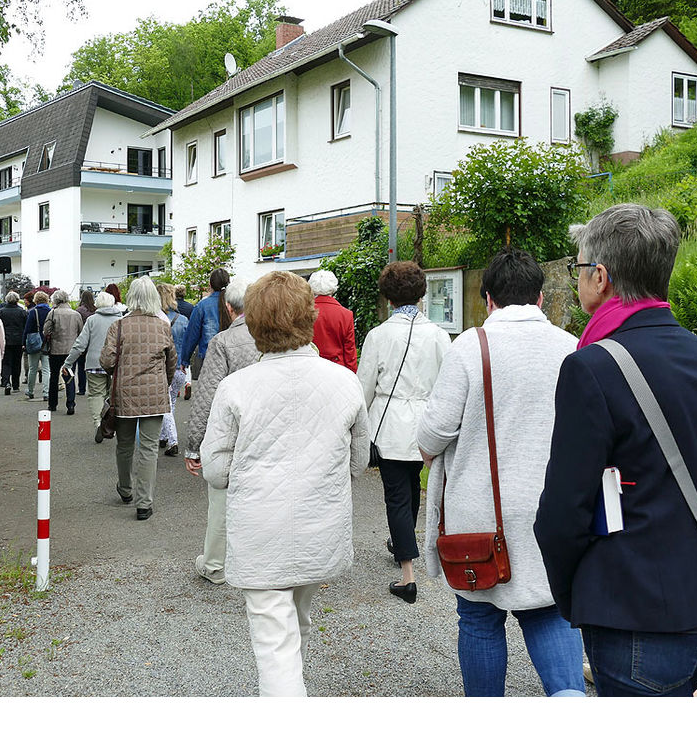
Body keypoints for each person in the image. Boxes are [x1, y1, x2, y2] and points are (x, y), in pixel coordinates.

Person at [534, 204, 697, 697]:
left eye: (579, 268)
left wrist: (575, 598)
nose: (577, 279)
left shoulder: (591, 367)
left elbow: (563, 511)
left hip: (639, 616)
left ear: (602, 277)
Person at [417, 248, 585, 698]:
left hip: (480, 511)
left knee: (478, 615)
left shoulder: (471, 346)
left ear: (487, 298)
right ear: (541, 299)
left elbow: (434, 433)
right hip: (552, 506)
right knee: (550, 609)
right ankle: (569, 701)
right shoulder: (572, 347)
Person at [201, 271, 369, 697]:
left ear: (253, 323)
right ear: (309, 318)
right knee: (298, 618)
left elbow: (216, 470)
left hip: (260, 528)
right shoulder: (345, 382)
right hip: (319, 523)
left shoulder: (235, 387)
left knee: (275, 640)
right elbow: (358, 461)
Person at [357, 261, 449, 604]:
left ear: (388, 296)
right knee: (412, 488)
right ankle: (401, 543)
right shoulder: (439, 336)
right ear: (421, 292)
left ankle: (408, 575)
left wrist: (355, 423)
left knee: (397, 494)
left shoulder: (378, 336)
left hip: (390, 422)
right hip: (429, 423)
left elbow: (364, 386)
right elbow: (448, 384)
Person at [183, 275, 259, 585]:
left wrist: (194, 444)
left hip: (231, 430)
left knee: (221, 495)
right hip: (266, 429)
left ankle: (214, 564)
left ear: (228, 307)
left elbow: (208, 394)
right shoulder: (272, 338)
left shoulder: (223, 343)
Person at [99, 276, 177, 520]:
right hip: (154, 394)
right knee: (149, 448)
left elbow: (107, 361)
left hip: (126, 393)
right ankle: (144, 503)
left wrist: (118, 371)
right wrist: (161, 380)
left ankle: (125, 489)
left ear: (131, 297)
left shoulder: (119, 326)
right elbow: (171, 361)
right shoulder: (163, 326)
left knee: (124, 445)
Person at [62, 290, 126, 443]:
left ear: (98, 304)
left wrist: (68, 363)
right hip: (116, 364)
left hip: (94, 363)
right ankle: (112, 424)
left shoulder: (92, 320)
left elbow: (80, 344)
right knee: (114, 396)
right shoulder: (122, 320)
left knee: (96, 394)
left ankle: (98, 422)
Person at [179, 268, 230, 383]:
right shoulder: (234, 303)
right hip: (232, 358)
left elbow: (192, 335)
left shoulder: (202, 306)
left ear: (210, 284)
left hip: (208, 359)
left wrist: (184, 360)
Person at [157, 282, 189, 456]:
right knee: (171, 403)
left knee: (165, 405)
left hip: (164, 368)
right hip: (180, 368)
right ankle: (164, 436)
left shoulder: (157, 320)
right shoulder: (183, 320)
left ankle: (172, 440)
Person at [42, 290, 82, 415]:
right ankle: (70, 404)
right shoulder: (76, 314)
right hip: (71, 350)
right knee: (69, 377)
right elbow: (80, 332)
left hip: (55, 349)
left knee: (54, 376)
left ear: (56, 300)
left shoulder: (52, 313)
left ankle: (52, 404)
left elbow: (46, 331)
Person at [309, 270, 357, 372]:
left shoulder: (304, 313)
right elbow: (350, 352)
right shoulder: (346, 315)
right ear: (333, 289)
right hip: (338, 369)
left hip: (312, 369)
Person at [0, 291, 27, 396]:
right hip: (18, 340)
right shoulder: (22, 312)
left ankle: (6, 382)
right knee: (17, 362)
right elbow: (25, 326)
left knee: (6, 362)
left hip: (5, 340)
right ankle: (15, 384)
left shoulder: (0, 312)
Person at [23, 291, 51, 400]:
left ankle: (30, 391)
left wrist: (24, 342)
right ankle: (46, 392)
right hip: (47, 343)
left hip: (34, 343)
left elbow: (27, 329)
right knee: (46, 369)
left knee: (32, 368)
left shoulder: (33, 312)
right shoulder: (50, 311)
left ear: (36, 300)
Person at [74, 289, 96, 396]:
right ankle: (93, 387)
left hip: (83, 340)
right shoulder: (96, 310)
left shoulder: (79, 311)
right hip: (94, 341)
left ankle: (81, 389)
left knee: (81, 366)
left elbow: (77, 328)